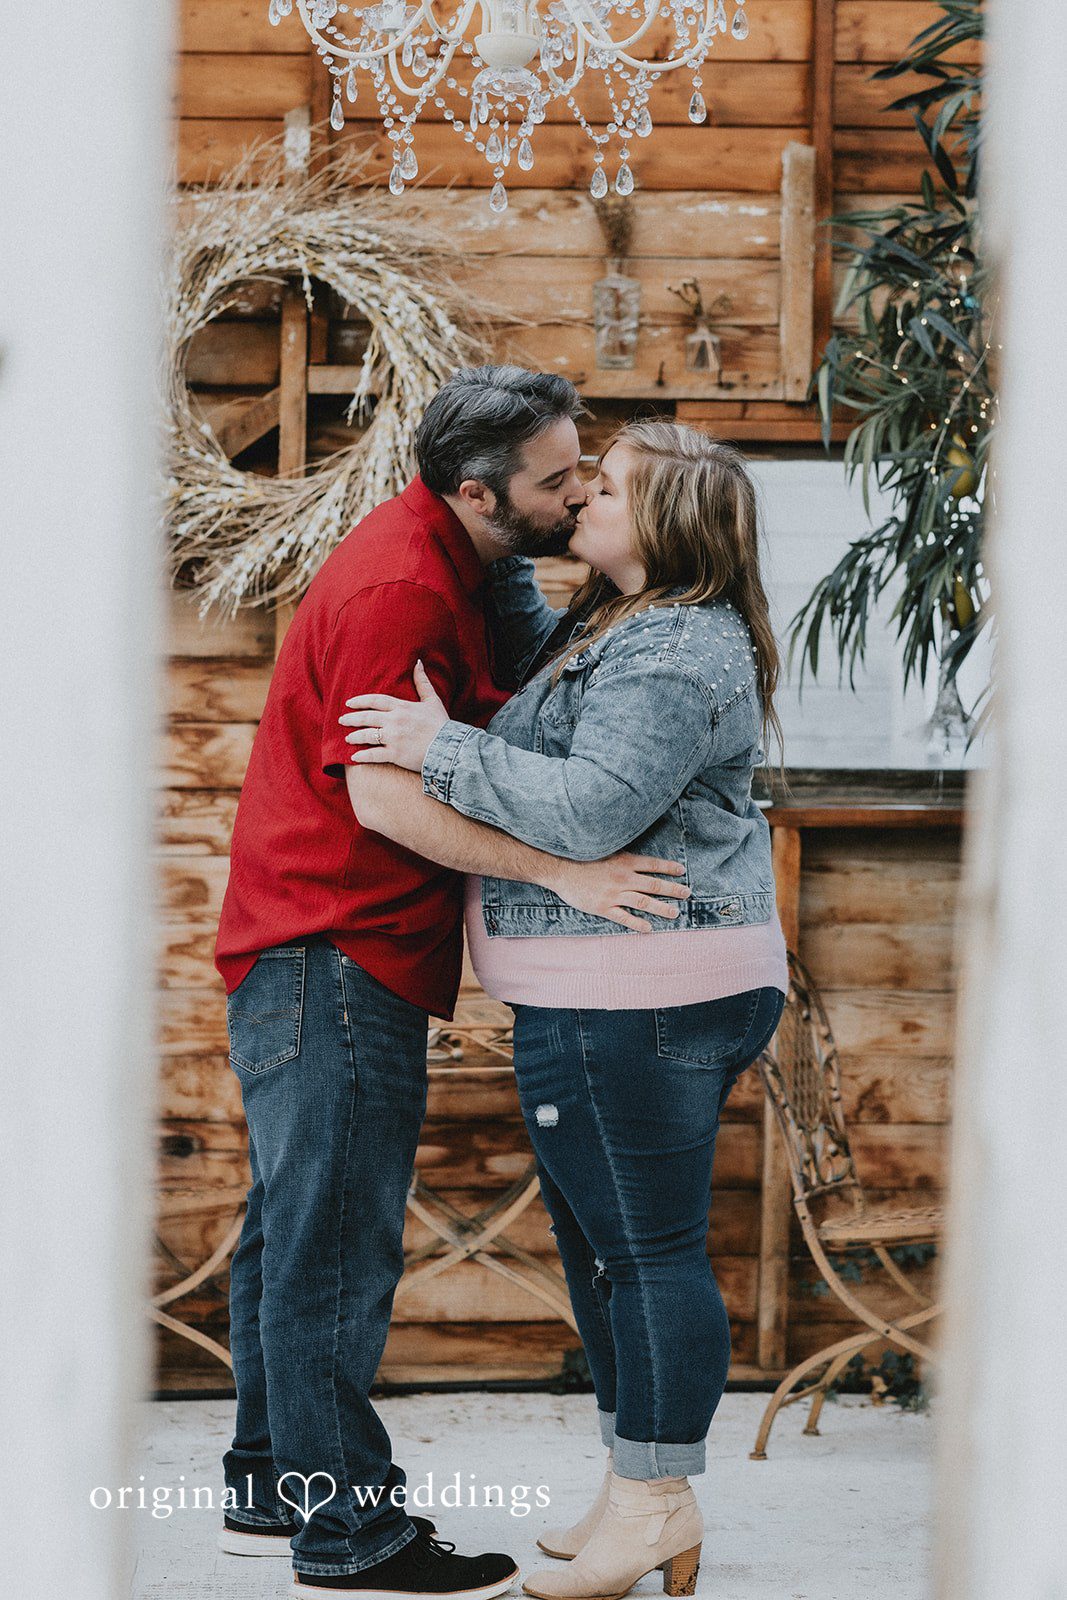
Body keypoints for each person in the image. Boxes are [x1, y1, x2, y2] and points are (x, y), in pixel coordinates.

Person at [213, 369, 691, 1600]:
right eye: (555, 479)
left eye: (583, 466)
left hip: (321, 946)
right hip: (333, 947)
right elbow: (381, 794)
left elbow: (514, 704)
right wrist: (565, 875)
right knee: (333, 1248)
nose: (579, 486)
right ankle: (351, 1532)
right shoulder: (401, 586)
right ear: (477, 491)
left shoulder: (476, 562)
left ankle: (274, 1477)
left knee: (291, 1228)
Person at [339, 420, 790, 1600]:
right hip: (611, 990)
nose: (584, 493)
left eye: (611, 485)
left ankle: (654, 1500)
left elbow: (590, 809)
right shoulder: (613, 623)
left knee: (643, 1255)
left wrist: (436, 747)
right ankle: (632, 1483)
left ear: (668, 525)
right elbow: (527, 633)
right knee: (605, 1254)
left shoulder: (678, 651)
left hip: (638, 991)